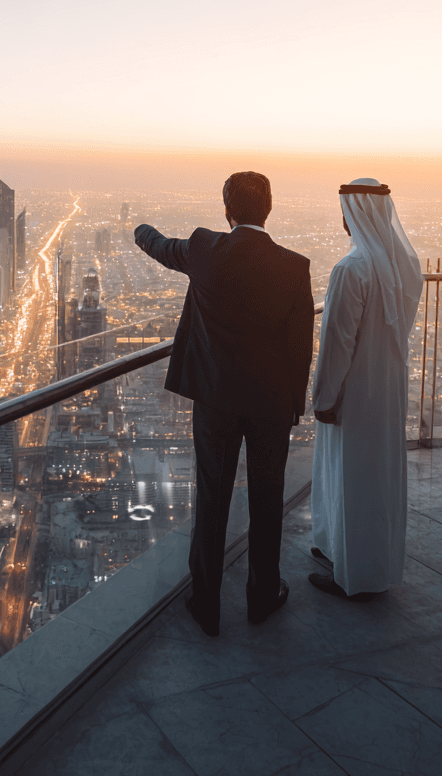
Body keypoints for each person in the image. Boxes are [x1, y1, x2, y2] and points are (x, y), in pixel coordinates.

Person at [134, 172, 314, 636]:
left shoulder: (204, 250)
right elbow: (300, 346)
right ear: (268, 209)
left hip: (215, 399)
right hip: (271, 404)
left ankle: (206, 602)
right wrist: (295, 403)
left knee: (212, 496)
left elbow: (158, 246)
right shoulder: (294, 267)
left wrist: (139, 229)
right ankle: (262, 596)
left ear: (226, 210)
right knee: (268, 499)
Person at [309, 178, 423, 600]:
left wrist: (324, 398)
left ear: (354, 213)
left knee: (352, 476)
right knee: (378, 476)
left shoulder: (351, 269)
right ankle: (369, 560)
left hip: (355, 390)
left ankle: (352, 574)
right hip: (388, 386)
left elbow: (338, 343)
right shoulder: (404, 267)